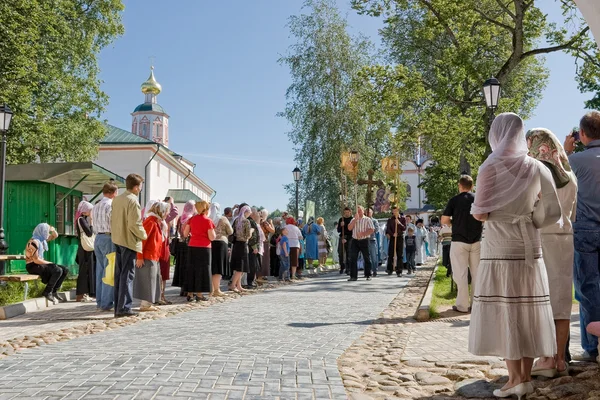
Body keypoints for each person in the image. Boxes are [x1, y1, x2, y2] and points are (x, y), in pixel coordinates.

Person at [469, 112, 561, 398]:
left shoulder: (490, 167)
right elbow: (554, 211)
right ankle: (524, 377)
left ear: (497, 134)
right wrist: (531, 217)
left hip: (500, 247)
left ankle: (514, 379)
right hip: (529, 247)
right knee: (527, 309)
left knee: (505, 310)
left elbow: (481, 212)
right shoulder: (538, 167)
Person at [526, 128, 577, 377]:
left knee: (542, 299)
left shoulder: (536, 174)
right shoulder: (570, 175)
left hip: (541, 238)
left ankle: (546, 358)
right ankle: (559, 359)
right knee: (562, 301)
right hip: (565, 239)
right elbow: (573, 213)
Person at [564, 111, 600, 362]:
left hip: (585, 228)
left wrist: (567, 151)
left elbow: (557, 180)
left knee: (588, 289)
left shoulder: (575, 161)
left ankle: (593, 346)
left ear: (582, 134)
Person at [441, 175, 483, 313]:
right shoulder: (478, 198)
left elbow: (444, 220)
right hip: (477, 240)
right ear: (472, 186)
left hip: (459, 240)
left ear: (460, 185)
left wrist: (453, 223)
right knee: (477, 273)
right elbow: (484, 216)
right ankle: (476, 304)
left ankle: (462, 305)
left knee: (460, 273)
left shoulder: (454, 200)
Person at [111, 173, 147, 318]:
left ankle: (118, 307)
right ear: (137, 187)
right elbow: (134, 223)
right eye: (141, 186)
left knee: (119, 275)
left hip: (117, 238)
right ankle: (124, 307)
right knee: (127, 275)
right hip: (129, 240)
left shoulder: (117, 199)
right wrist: (143, 235)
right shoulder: (133, 200)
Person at [134, 201, 168, 312]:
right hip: (148, 256)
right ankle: (145, 304)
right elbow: (142, 240)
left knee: (153, 280)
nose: (167, 214)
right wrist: (139, 256)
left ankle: (148, 303)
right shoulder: (150, 222)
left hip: (153, 256)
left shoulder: (155, 222)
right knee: (148, 280)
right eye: (166, 212)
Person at [24, 223, 68, 304]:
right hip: (33, 266)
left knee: (64, 269)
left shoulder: (42, 240)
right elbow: (36, 260)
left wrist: (52, 229)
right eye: (46, 232)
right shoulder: (34, 242)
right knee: (57, 270)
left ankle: (54, 291)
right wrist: (50, 263)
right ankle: (47, 291)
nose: (48, 234)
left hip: (39, 265)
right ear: (41, 231)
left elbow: (55, 236)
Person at [92, 182, 118, 311]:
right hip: (108, 237)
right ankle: (107, 302)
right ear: (114, 193)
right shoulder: (110, 205)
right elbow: (113, 223)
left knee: (100, 270)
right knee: (109, 270)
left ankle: (100, 301)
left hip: (97, 237)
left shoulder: (96, 206)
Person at [183, 200, 215, 302]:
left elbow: (185, 233)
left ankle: (190, 293)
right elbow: (212, 237)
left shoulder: (192, 219)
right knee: (202, 270)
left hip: (192, 246)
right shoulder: (208, 221)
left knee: (191, 269)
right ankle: (199, 294)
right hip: (204, 247)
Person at [172, 200, 195, 295]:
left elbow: (177, 230)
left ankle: (182, 288)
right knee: (188, 266)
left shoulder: (181, 218)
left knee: (180, 266)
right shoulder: (191, 218)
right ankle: (187, 288)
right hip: (188, 244)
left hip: (180, 245)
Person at [158, 198, 178, 305]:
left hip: (164, 247)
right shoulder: (160, 221)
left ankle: (161, 295)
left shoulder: (161, 220)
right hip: (161, 248)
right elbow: (175, 212)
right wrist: (171, 203)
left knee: (163, 273)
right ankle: (160, 296)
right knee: (161, 273)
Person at [209, 202, 232, 297]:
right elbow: (230, 231)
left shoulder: (209, 218)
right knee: (219, 266)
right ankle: (217, 289)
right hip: (221, 243)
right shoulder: (223, 218)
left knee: (212, 266)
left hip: (211, 242)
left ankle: (211, 289)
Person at [75, 201, 95, 302]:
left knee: (87, 270)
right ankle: (81, 294)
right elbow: (89, 233)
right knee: (84, 271)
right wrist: (91, 222)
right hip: (85, 248)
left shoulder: (83, 219)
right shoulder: (81, 220)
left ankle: (85, 293)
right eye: (90, 210)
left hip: (85, 248)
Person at [347, 206, 375, 282]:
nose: (358, 212)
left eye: (360, 211)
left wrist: (363, 233)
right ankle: (353, 276)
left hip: (364, 240)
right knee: (353, 258)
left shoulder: (367, 219)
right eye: (357, 211)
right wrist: (354, 220)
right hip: (355, 240)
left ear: (363, 211)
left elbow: (372, 229)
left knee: (366, 258)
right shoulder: (353, 219)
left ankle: (368, 274)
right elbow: (349, 228)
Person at [230, 205, 252, 292]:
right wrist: (251, 231)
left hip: (236, 244)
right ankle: (233, 285)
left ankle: (238, 285)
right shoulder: (246, 221)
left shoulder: (236, 220)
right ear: (246, 212)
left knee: (238, 266)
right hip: (243, 244)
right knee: (241, 267)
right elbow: (247, 236)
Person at [386, 207, 407, 276]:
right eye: (393, 211)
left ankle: (399, 270)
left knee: (400, 255)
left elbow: (404, 228)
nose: (395, 212)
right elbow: (388, 229)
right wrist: (392, 234)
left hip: (400, 238)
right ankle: (390, 269)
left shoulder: (403, 219)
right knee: (391, 254)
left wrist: (399, 223)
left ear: (398, 211)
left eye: (396, 211)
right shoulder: (390, 219)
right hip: (393, 238)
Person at [245, 208, 261, 289]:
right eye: (257, 214)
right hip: (251, 247)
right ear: (253, 214)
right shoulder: (250, 221)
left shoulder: (250, 221)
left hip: (250, 246)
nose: (259, 215)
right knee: (252, 265)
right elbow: (253, 236)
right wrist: (254, 247)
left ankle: (250, 282)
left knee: (253, 265)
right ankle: (249, 282)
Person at [258, 210, 275, 283]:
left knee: (260, 259)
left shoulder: (258, 221)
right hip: (264, 242)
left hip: (258, 241)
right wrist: (271, 223)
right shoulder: (265, 222)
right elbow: (272, 231)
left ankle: (259, 275)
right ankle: (261, 275)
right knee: (264, 260)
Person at [337, 208, 353, 274]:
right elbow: (338, 230)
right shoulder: (341, 219)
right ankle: (342, 267)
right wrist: (341, 226)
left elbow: (352, 230)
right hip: (342, 237)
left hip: (350, 238)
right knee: (341, 253)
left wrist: (347, 239)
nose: (346, 213)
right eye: (345, 212)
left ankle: (348, 268)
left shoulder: (352, 219)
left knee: (349, 253)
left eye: (347, 212)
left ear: (350, 212)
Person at [366, 209, 380, 277]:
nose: (368, 213)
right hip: (365, 240)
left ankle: (374, 270)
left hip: (372, 240)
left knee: (374, 256)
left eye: (369, 212)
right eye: (367, 212)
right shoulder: (364, 220)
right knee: (366, 257)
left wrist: (370, 230)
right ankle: (367, 271)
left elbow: (376, 229)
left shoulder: (374, 221)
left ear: (372, 213)